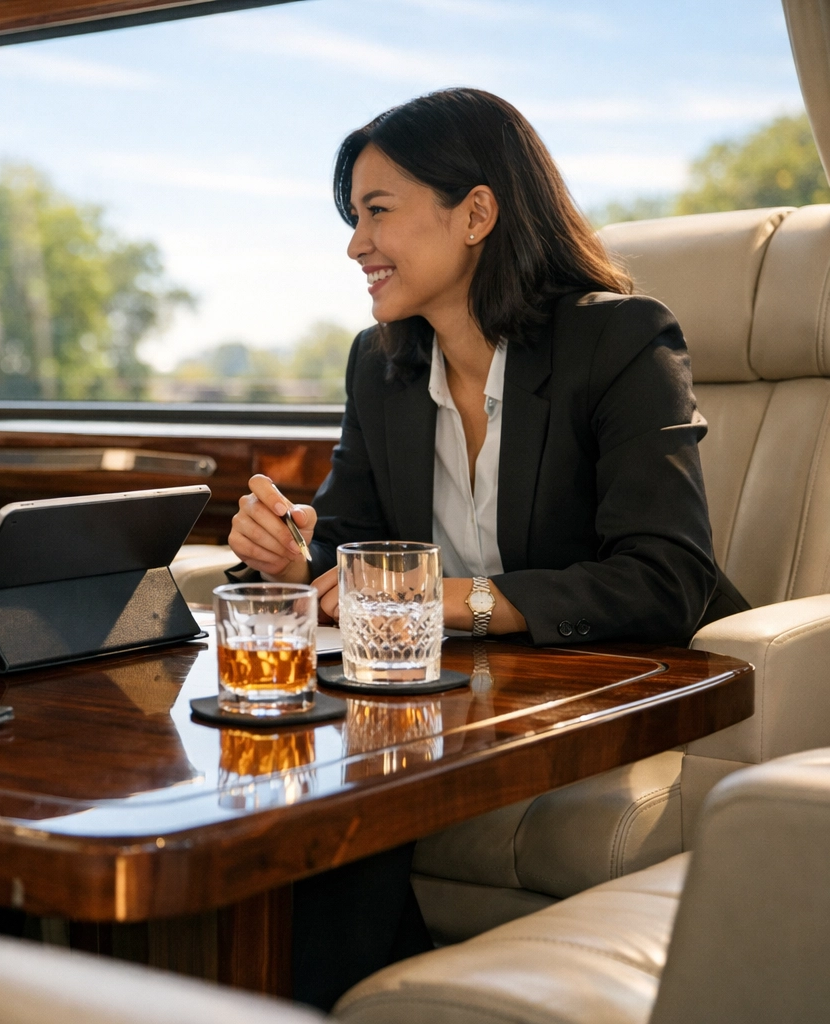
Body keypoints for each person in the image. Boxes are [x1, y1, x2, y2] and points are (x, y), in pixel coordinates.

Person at [227, 88, 748, 1009]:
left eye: (377, 212)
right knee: (294, 789)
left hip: (603, 694)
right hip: (439, 708)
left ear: (476, 212)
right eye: (353, 218)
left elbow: (668, 576)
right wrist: (288, 558)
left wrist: (454, 601)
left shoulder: (619, 340)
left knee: (335, 803)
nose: (355, 245)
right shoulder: (378, 363)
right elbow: (347, 547)